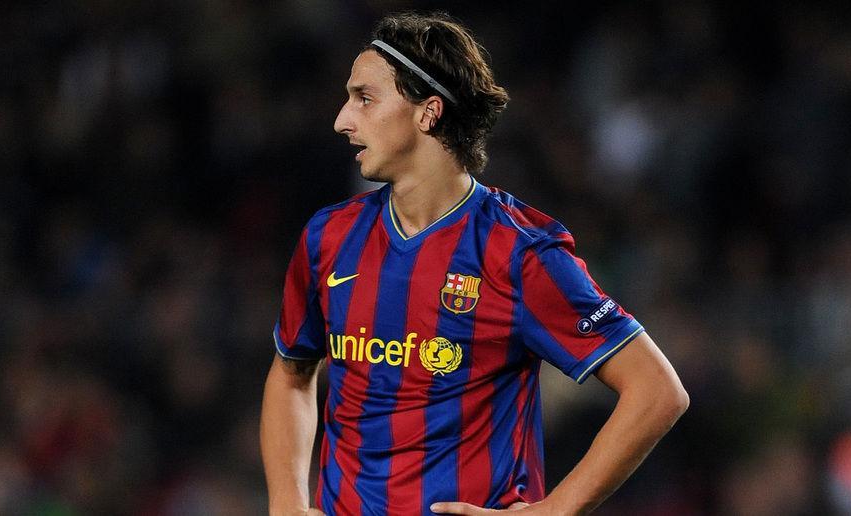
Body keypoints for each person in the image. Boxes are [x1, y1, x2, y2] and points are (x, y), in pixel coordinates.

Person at [261, 11, 689, 516]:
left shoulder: (519, 252)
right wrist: (287, 501)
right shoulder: (328, 237)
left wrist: (554, 510)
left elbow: (657, 391)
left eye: (365, 98)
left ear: (428, 112)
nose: (342, 119)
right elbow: (291, 372)